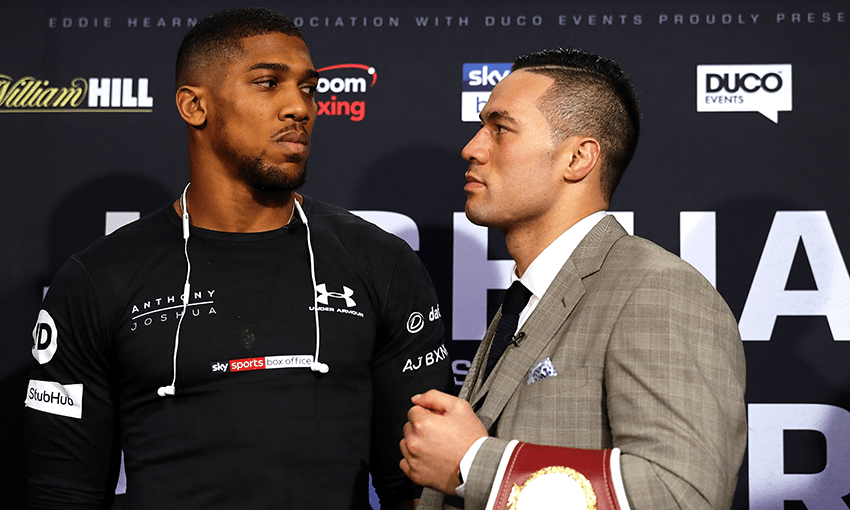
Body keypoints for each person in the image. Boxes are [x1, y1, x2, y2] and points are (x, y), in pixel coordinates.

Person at [25, 7, 451, 509]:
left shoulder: (381, 261)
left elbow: (415, 489)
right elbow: (63, 494)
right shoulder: (98, 279)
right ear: (194, 106)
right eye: (269, 83)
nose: (300, 107)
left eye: (309, 88)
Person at [400, 49, 747, 509]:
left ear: (578, 158)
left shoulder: (655, 289)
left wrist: (474, 464)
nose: (472, 147)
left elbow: (682, 495)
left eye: (500, 128)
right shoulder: (528, 297)